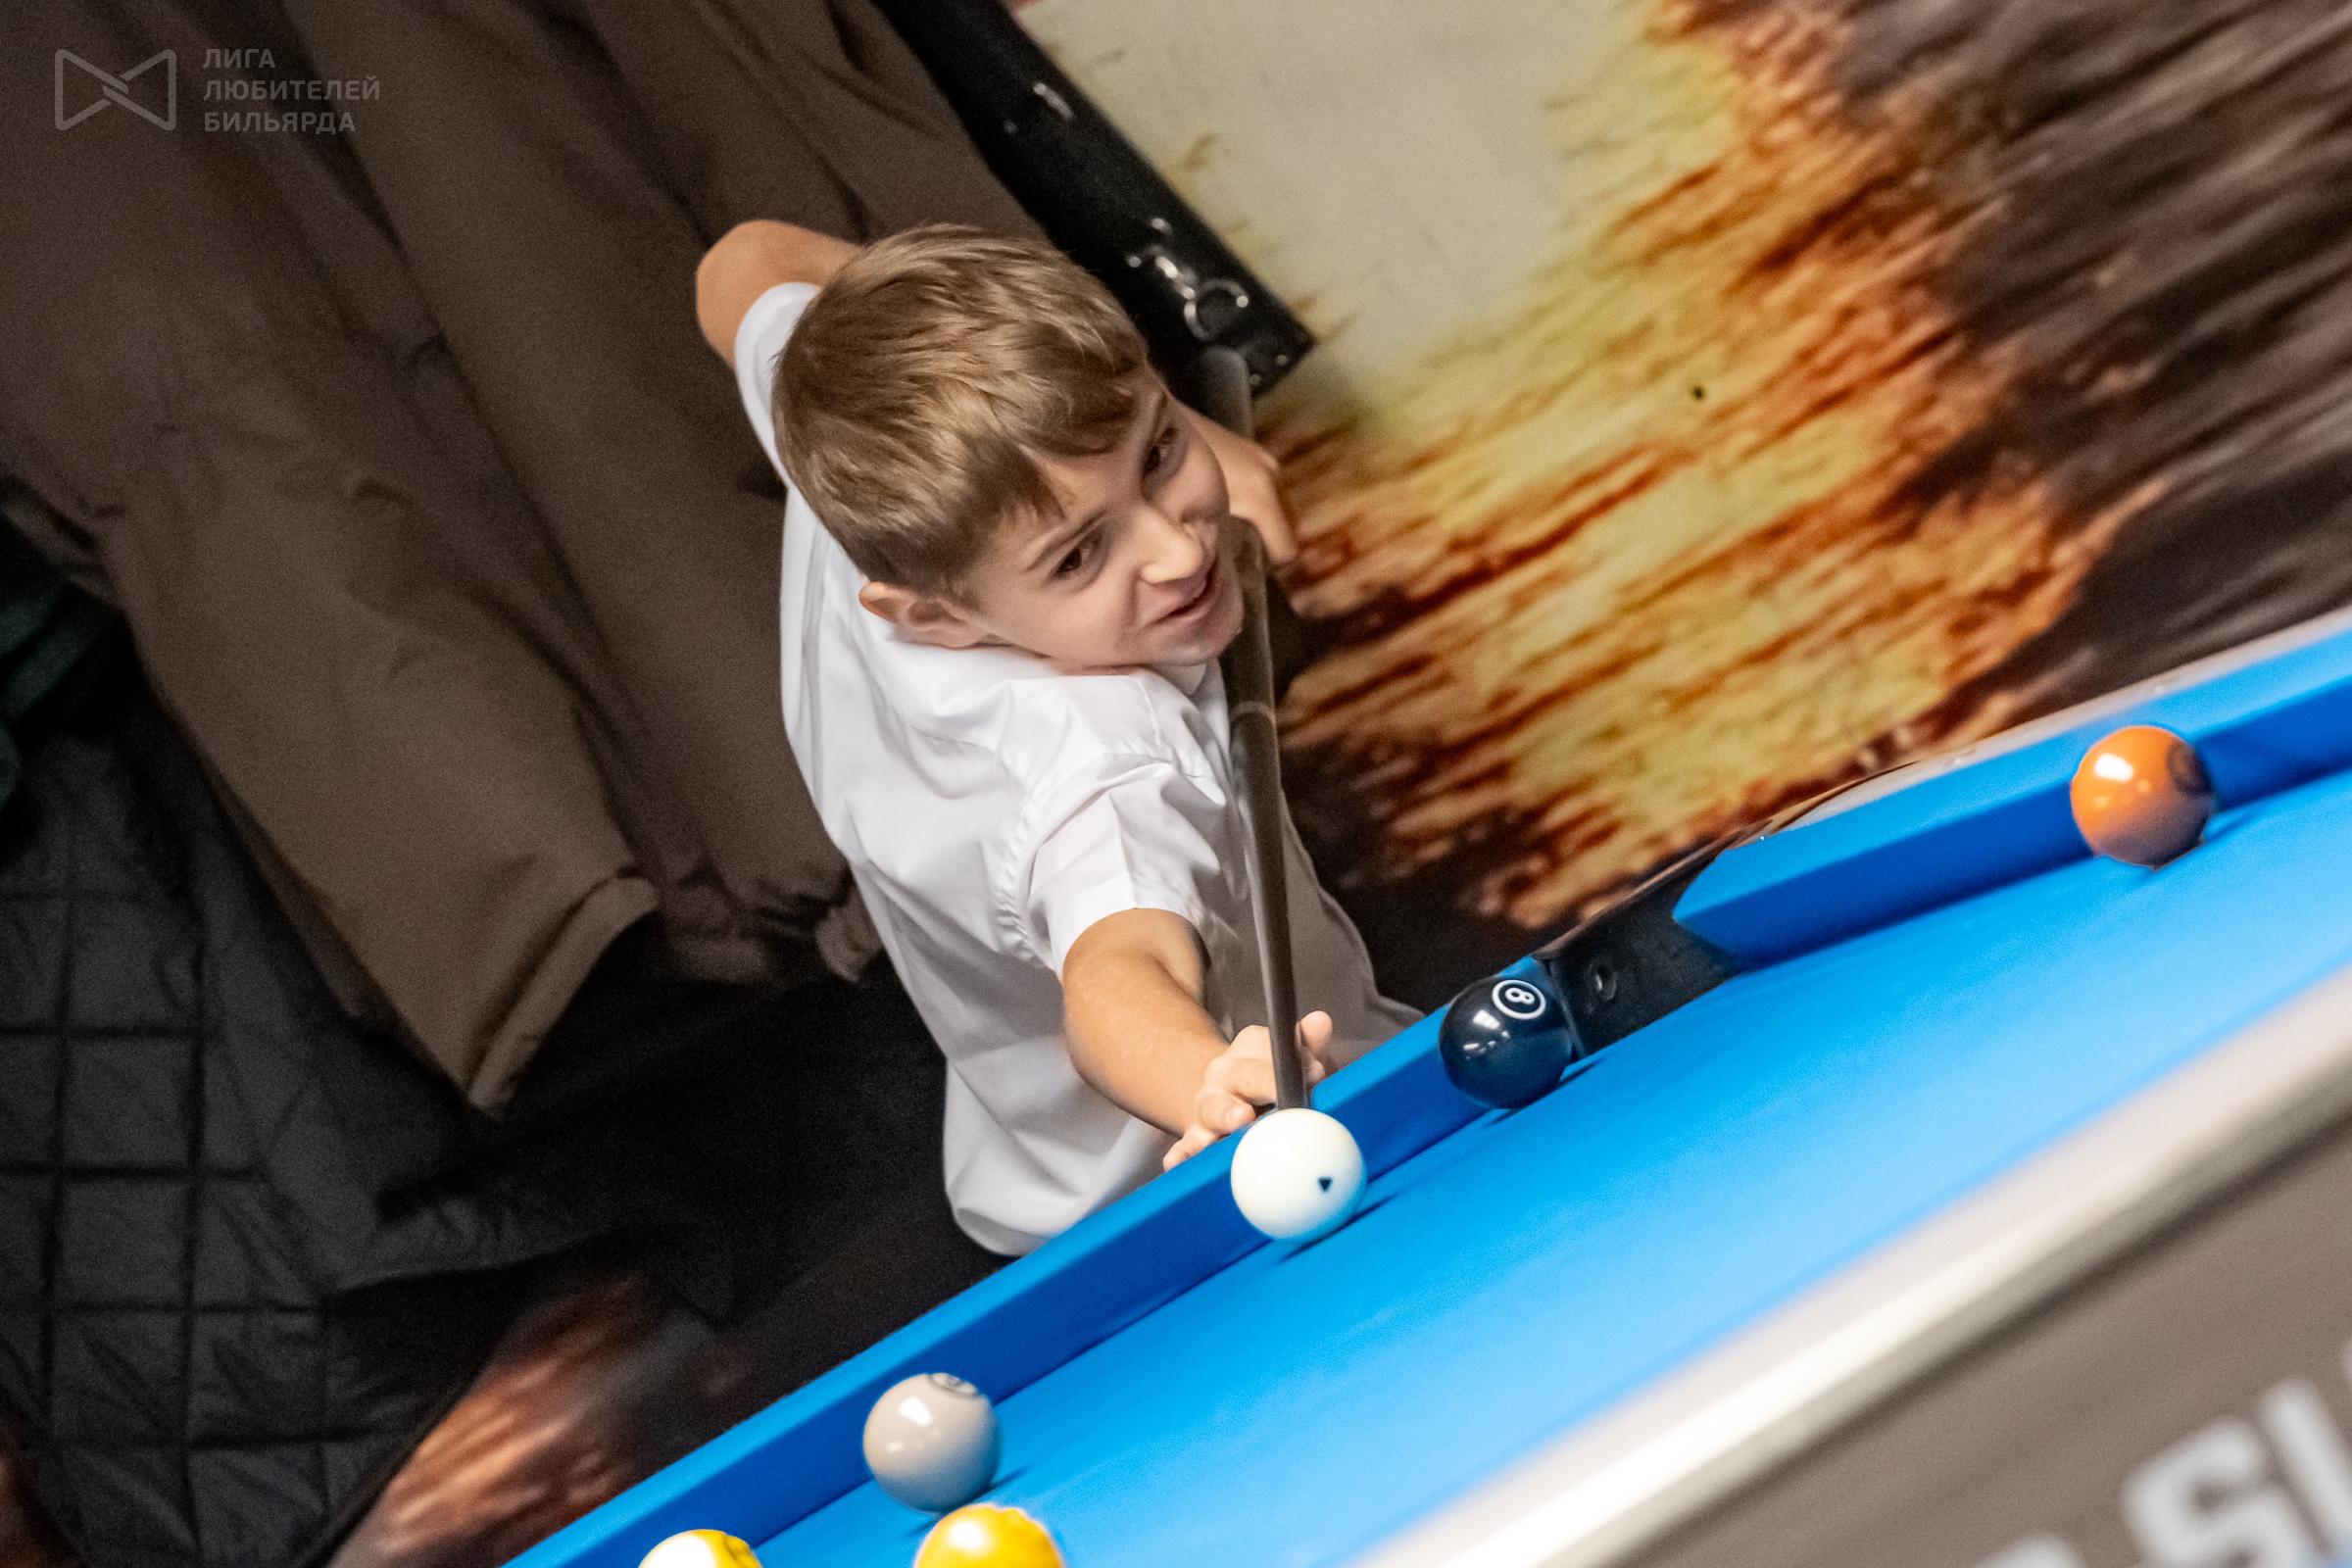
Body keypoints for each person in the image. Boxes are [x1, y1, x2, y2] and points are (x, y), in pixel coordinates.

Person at [696, 220, 1418, 1255]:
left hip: (1039, 1195)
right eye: (1080, 557)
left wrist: (1163, 434)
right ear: (933, 614)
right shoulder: (1104, 763)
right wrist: (1207, 1084)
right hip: (1228, 1199)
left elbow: (745, 263)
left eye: (1156, 454)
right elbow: (1116, 974)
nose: (1177, 552)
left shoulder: (853, 436)